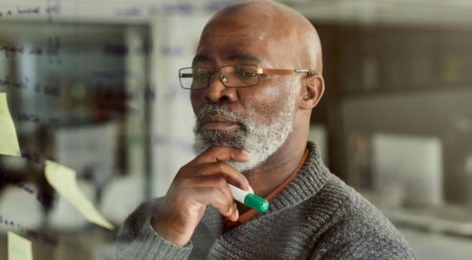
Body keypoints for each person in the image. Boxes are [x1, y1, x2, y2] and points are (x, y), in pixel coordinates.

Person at [116, 1, 415, 259]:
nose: (214, 89)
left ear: (308, 92)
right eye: (201, 73)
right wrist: (165, 238)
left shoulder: (359, 243)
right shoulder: (152, 221)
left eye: (246, 73)